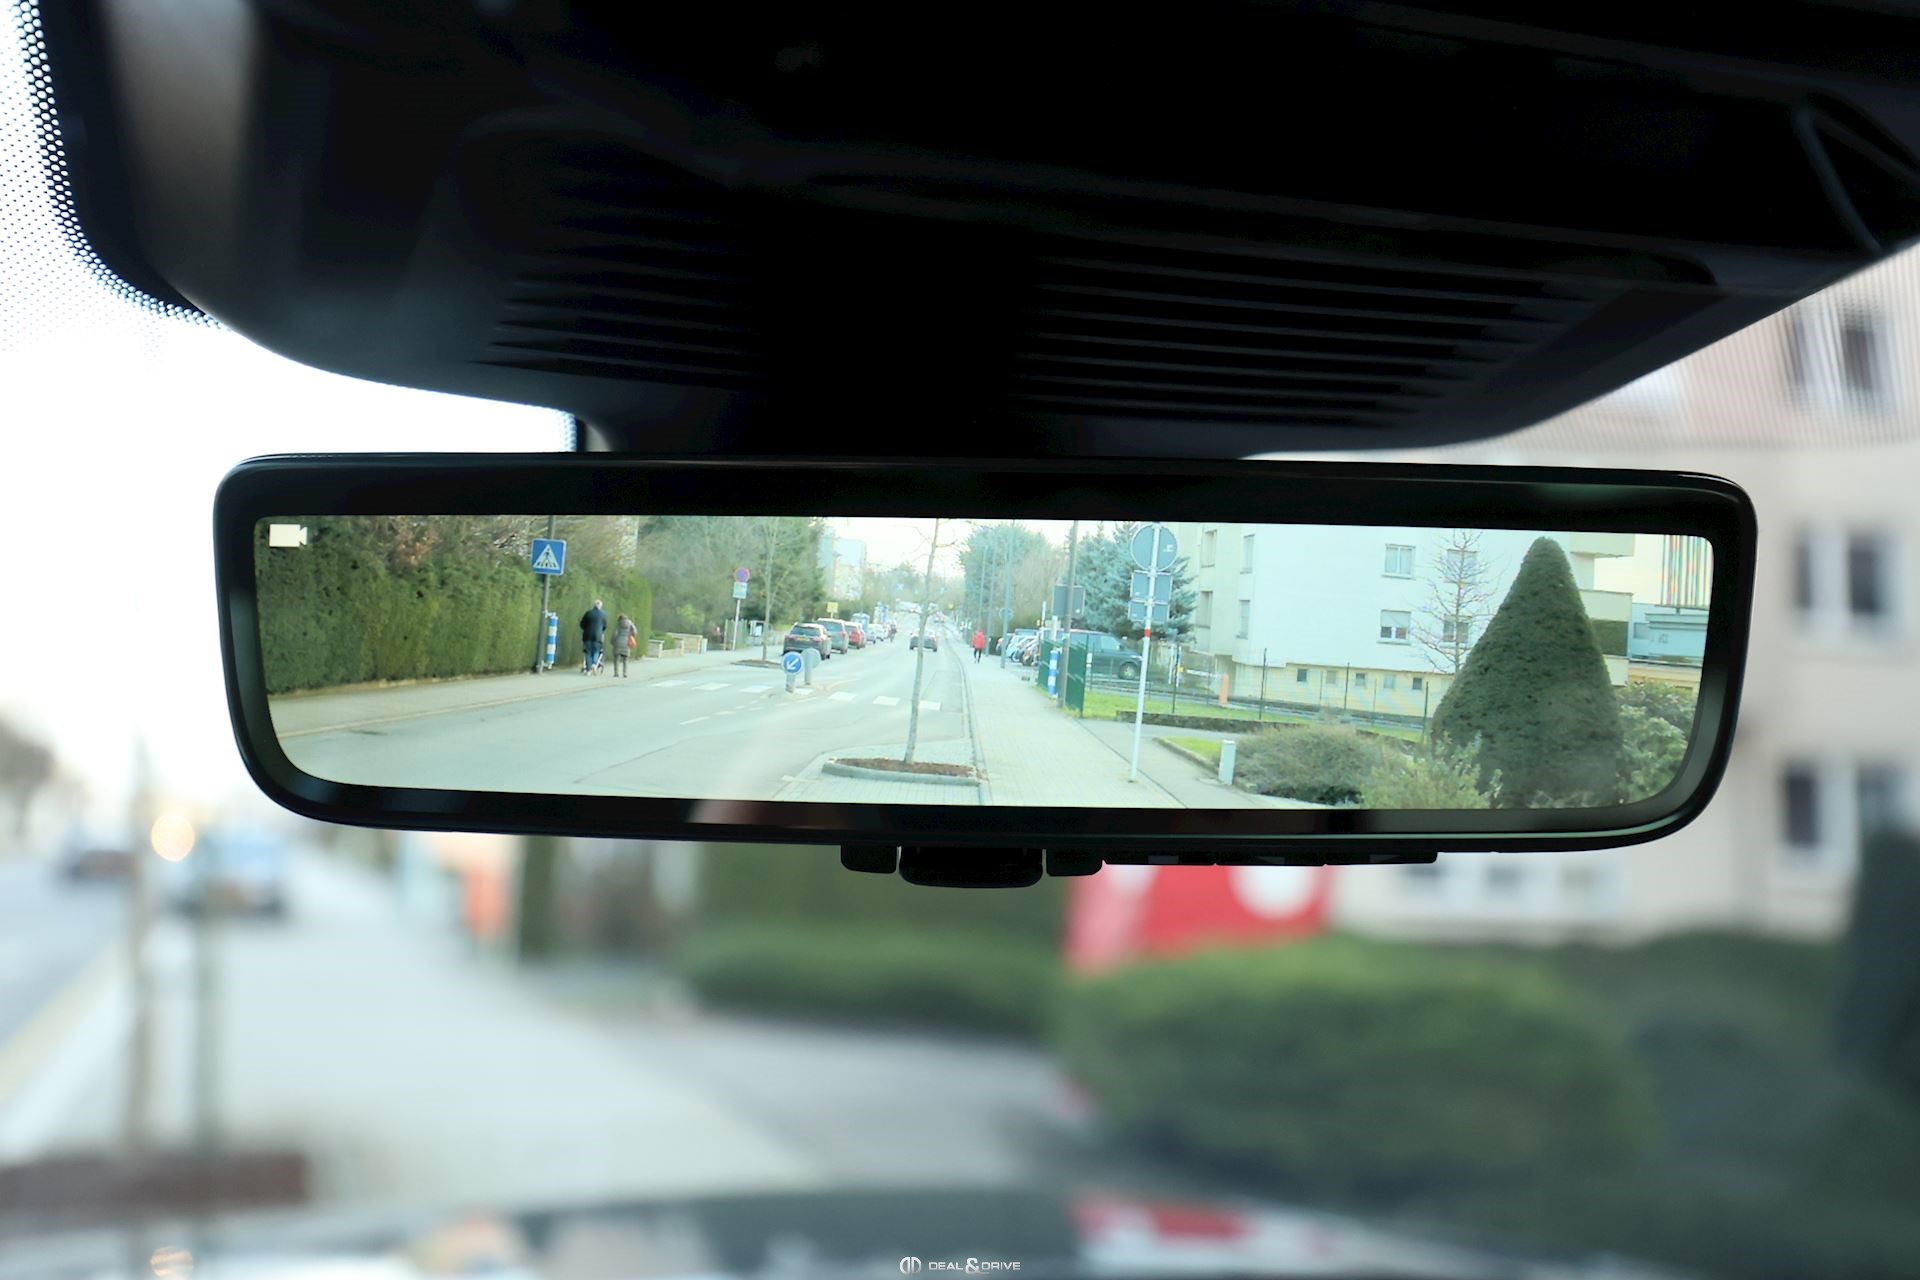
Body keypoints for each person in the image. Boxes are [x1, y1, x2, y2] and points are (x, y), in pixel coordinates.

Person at [580, 598, 608, 674]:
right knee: (596, 651)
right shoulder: (603, 614)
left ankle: (588, 669)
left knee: (588, 652)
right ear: (600, 606)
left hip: (587, 635)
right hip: (598, 636)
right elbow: (605, 626)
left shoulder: (588, 613)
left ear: (594, 605)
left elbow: (582, 624)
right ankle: (594, 664)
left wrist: (586, 628)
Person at [611, 612, 637, 677]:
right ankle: (625, 673)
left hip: (618, 643)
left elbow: (615, 634)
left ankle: (616, 673)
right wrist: (631, 635)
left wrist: (612, 641)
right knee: (625, 659)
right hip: (627, 643)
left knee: (616, 659)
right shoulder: (630, 623)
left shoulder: (618, 624)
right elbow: (635, 631)